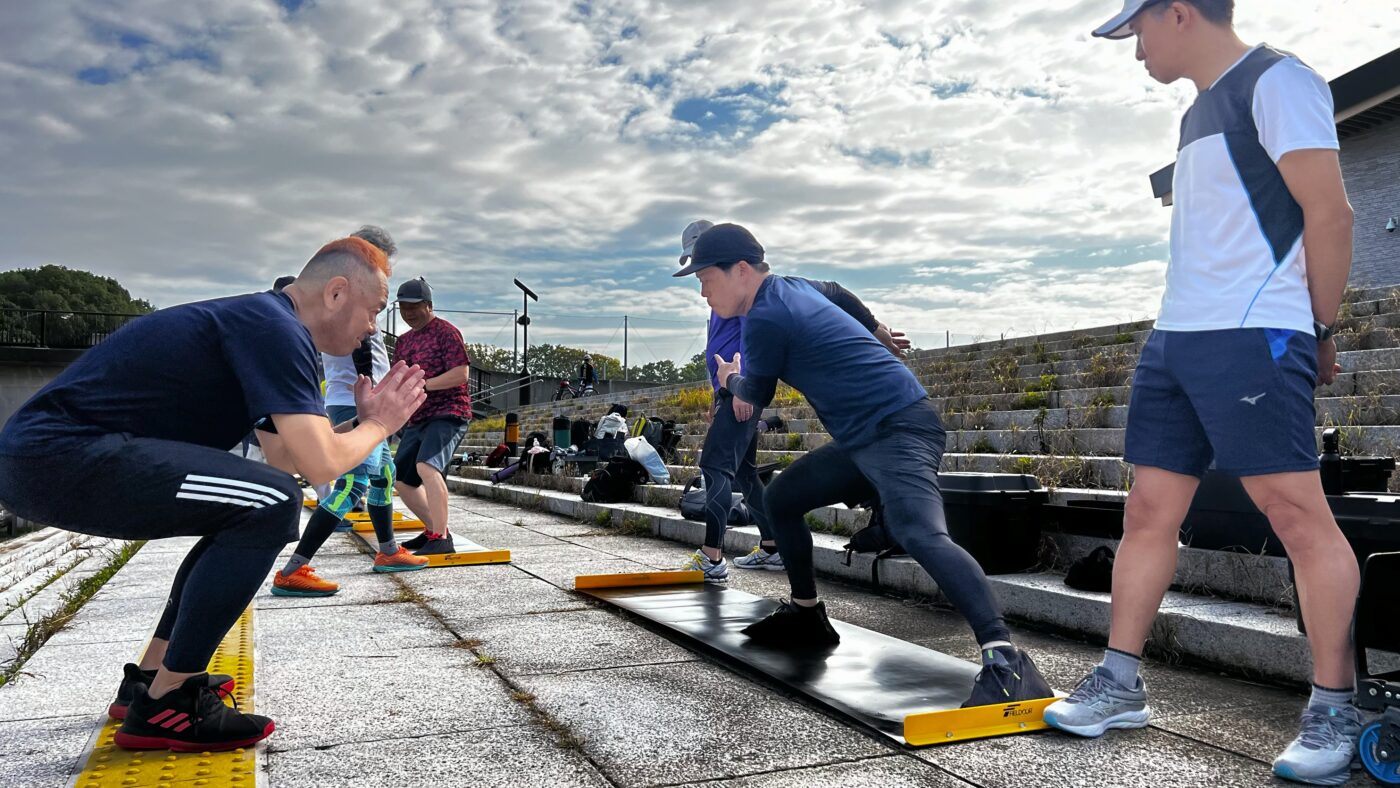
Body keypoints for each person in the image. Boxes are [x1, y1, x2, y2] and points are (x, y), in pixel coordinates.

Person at [1044, 4, 1360, 785]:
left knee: (1293, 513)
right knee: (1148, 509)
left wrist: (1318, 330)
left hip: (1255, 332)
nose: (1136, 50)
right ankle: (1119, 681)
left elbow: (1331, 212)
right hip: (1177, 337)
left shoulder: (1278, 81)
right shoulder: (1195, 113)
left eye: (1139, 31)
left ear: (1179, 13)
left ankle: (1334, 704)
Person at [0, 238, 425, 750]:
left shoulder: (266, 325)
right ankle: (169, 705)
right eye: (376, 310)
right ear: (337, 293)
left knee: (247, 505)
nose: (374, 328)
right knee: (270, 503)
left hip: (43, 459)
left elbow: (288, 458)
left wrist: (362, 421)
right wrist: (382, 422)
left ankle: (149, 681)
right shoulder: (276, 329)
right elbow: (319, 469)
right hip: (59, 456)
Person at [678, 223, 1051, 707]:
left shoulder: (767, 315)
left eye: (706, 279)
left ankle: (1006, 660)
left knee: (919, 532)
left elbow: (755, 394)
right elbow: (837, 290)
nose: (703, 292)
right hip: (863, 436)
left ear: (741, 270)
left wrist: (729, 379)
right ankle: (807, 614)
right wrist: (875, 327)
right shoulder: (793, 286)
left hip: (900, 428)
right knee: (783, 498)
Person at [676, 219, 911, 581]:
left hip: (742, 393)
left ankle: (712, 556)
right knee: (745, 474)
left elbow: (755, 334)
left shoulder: (748, 292)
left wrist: (742, 393)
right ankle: (772, 546)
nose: (698, 275)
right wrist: (717, 393)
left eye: (699, 263)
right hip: (730, 391)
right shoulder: (720, 292)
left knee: (715, 467)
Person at [271, 227, 428, 597]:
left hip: (354, 396)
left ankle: (388, 551)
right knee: (351, 484)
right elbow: (361, 357)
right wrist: (375, 400)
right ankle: (294, 568)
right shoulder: (357, 296)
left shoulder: (341, 295)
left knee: (383, 475)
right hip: (357, 397)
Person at [391, 277, 473, 556]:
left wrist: (425, 384)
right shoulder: (403, 341)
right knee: (401, 479)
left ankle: (441, 537)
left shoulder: (446, 332)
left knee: (427, 467)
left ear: (428, 305)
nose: (408, 313)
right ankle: (435, 529)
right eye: (403, 307)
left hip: (449, 412)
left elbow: (461, 374)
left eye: (413, 306)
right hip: (418, 416)